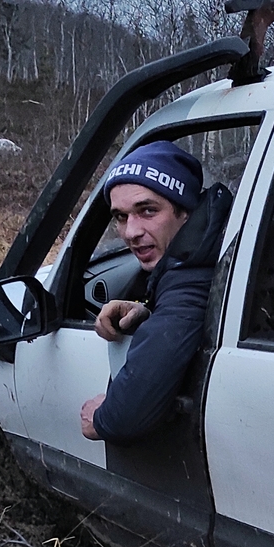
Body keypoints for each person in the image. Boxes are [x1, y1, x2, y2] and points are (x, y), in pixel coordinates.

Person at [80, 140, 216, 443]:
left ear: (186, 212)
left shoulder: (193, 275)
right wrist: (149, 311)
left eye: (148, 211)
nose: (131, 232)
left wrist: (101, 419)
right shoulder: (196, 257)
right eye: (121, 216)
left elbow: (130, 413)